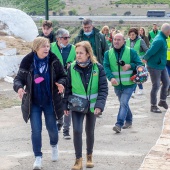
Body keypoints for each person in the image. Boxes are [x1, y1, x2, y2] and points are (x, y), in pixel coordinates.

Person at [13, 37, 67, 169]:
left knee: (52, 129)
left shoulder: (54, 61)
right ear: (36, 48)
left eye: (48, 46)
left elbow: (63, 76)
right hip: (34, 102)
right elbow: (18, 79)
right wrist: (19, 88)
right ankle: (38, 157)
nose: (46, 49)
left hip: (50, 101)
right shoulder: (28, 62)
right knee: (36, 130)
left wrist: (61, 83)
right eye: (43, 46)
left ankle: (54, 146)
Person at [63, 41, 108, 170]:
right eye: (77, 53)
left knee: (90, 131)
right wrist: (65, 105)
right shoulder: (71, 67)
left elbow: (103, 88)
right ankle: (78, 160)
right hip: (77, 105)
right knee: (77, 130)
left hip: (93, 107)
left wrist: (100, 105)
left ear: (88, 54)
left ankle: (89, 156)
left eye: (81, 53)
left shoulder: (97, 68)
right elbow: (68, 88)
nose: (78, 55)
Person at [103, 33, 142, 133]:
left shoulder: (131, 52)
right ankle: (129, 120)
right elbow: (106, 67)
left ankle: (119, 124)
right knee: (123, 103)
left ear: (124, 41)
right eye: (115, 39)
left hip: (130, 83)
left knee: (123, 103)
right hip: (117, 84)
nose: (116, 41)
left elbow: (139, 64)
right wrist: (111, 78)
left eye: (119, 40)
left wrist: (129, 65)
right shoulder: (108, 53)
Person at [51, 28, 76, 139]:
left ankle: (66, 130)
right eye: (65, 38)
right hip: (55, 80)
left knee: (68, 103)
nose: (67, 40)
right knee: (56, 103)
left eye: (68, 37)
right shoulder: (50, 47)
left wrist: (73, 64)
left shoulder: (74, 49)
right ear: (58, 38)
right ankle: (59, 122)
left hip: (69, 79)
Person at [143, 23, 170, 113]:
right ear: (168, 31)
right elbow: (150, 51)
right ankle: (153, 106)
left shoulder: (163, 38)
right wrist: (145, 59)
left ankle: (162, 100)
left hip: (161, 65)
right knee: (156, 85)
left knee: (166, 82)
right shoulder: (159, 40)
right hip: (154, 66)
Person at [126, 28, 148, 95]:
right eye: (130, 35)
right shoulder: (127, 41)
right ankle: (140, 89)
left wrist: (145, 58)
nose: (131, 36)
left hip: (139, 62)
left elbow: (147, 50)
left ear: (136, 34)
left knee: (137, 76)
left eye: (133, 35)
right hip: (130, 62)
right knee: (134, 76)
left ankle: (133, 91)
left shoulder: (141, 41)